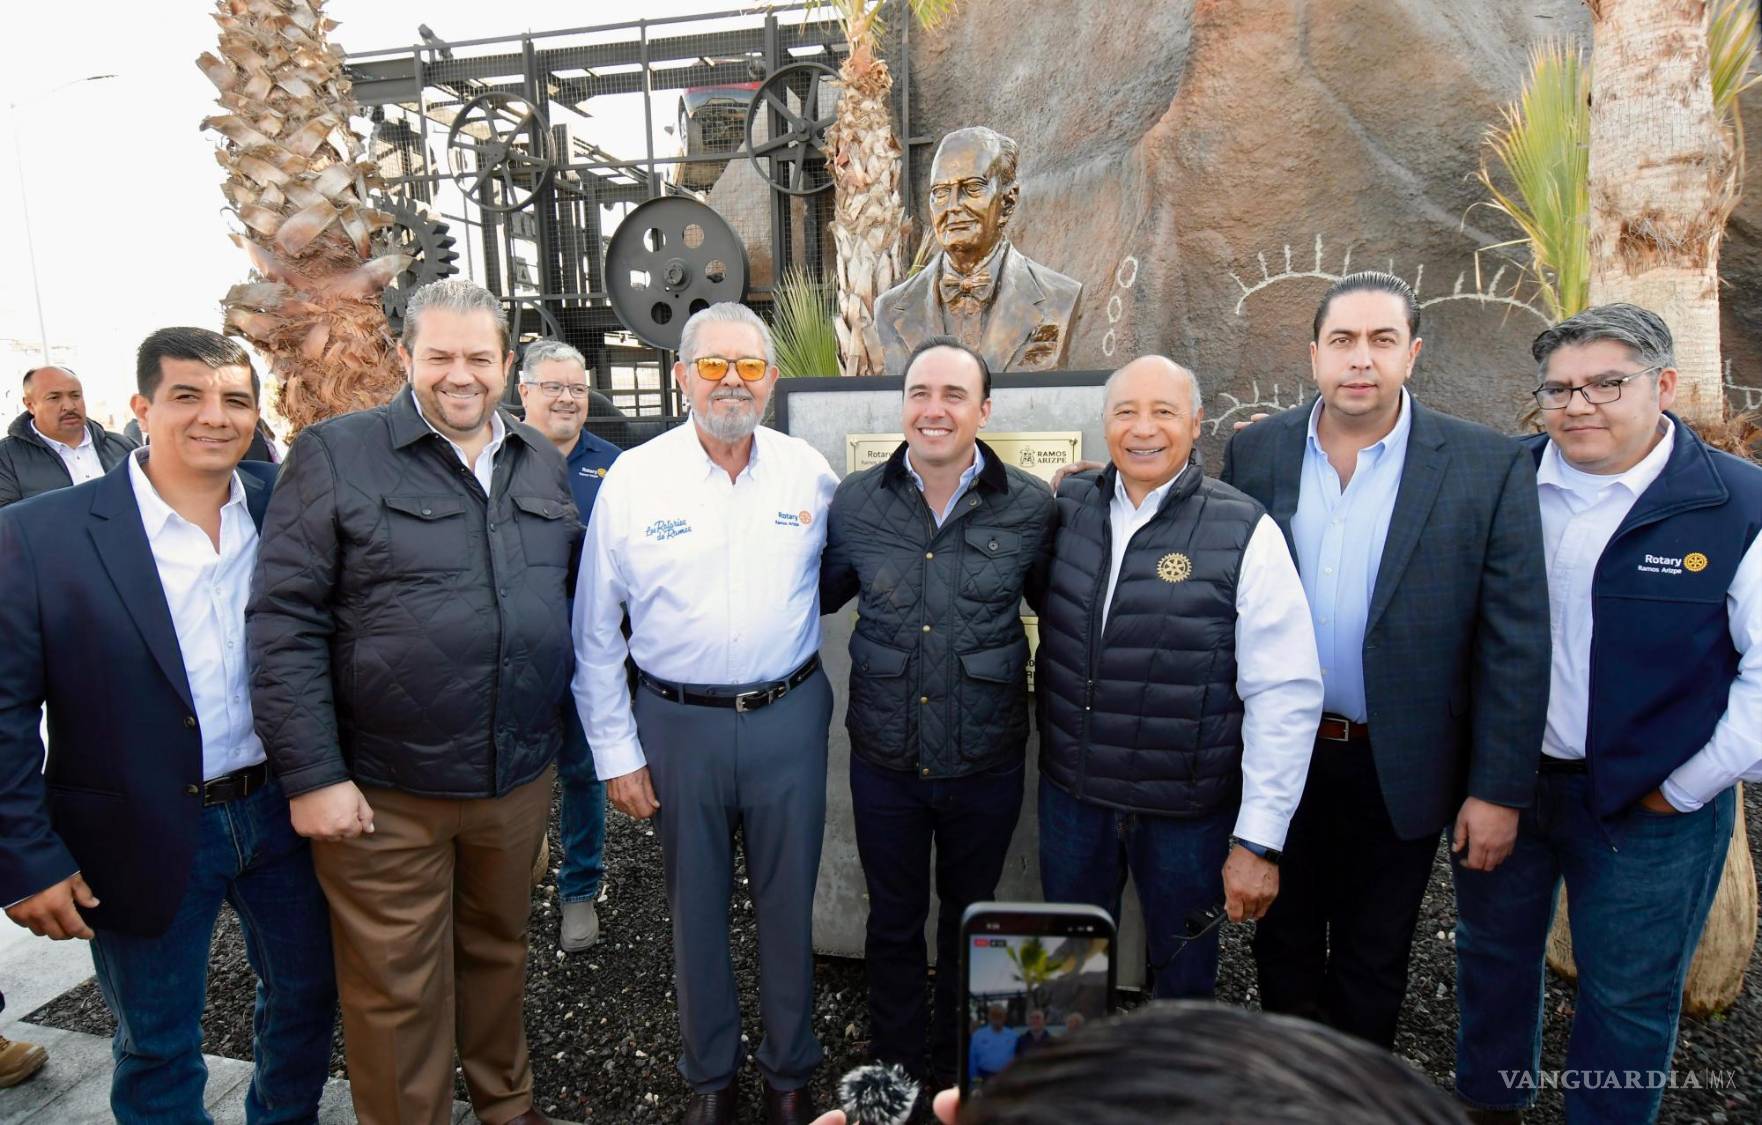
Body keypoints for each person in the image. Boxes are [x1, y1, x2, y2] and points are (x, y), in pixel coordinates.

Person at [248, 278, 579, 1125]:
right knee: (395, 987)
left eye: (478, 357)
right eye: (438, 356)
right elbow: (283, 623)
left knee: (498, 954)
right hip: (384, 789)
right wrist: (314, 774)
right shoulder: (334, 454)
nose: (458, 375)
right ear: (405, 357)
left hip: (512, 779)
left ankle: (508, 1105)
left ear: (508, 365)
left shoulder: (539, 459)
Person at [0, 327, 335, 1123]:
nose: (213, 416)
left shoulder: (285, 505)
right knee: (156, 1039)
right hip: (136, 824)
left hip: (281, 811)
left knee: (309, 994)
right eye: (188, 395)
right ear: (142, 407)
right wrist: (24, 857)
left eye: (235, 400)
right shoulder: (42, 535)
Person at [1219, 271, 1551, 1049]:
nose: (1360, 359)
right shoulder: (1257, 451)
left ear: (1413, 353)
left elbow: (1516, 638)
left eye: (1381, 340)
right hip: (1284, 754)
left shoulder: (1484, 466)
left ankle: (1359, 1095)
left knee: (1375, 955)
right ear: (1313, 355)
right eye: (1342, 340)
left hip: (1399, 761)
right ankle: (1297, 1093)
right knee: (1283, 943)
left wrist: (1499, 789)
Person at [1453, 304, 1762, 1125]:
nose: (1577, 405)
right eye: (1558, 389)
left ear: (1663, 385)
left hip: (1650, 806)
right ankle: (1487, 1106)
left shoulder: (1735, 505)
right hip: (1509, 786)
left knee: (1628, 997)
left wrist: (1685, 787)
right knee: (1491, 962)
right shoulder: (1501, 483)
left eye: (1605, 384)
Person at [573, 302, 838, 1125]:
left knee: (790, 904)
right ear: (682, 374)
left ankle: (790, 1073)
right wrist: (617, 752)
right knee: (694, 905)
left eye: (750, 366)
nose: (732, 381)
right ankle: (710, 1078)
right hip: (676, 724)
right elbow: (593, 632)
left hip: (787, 717)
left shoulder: (808, 473)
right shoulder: (634, 478)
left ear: (772, 378)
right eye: (713, 365)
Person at [1032, 356, 1323, 999]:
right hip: (1074, 801)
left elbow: (1284, 694)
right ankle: (1070, 1092)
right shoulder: (1070, 507)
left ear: (1196, 424)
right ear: (1104, 424)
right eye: (1126, 412)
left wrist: (1258, 840)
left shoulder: (1244, 530)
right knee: (1065, 977)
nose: (1144, 429)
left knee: (1183, 986)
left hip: (1186, 815)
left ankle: (1175, 1100)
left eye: (1164, 412)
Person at [820, 336, 1055, 1088]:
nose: (935, 409)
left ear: (984, 409)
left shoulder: (1030, 505)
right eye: (921, 392)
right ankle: (896, 1071)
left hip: (983, 762)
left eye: (955, 395)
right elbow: (812, 592)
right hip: (884, 759)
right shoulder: (856, 499)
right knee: (892, 922)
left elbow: (1064, 603)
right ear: (903, 405)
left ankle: (963, 1072)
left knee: (970, 917)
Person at [517, 339, 621, 954]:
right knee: (516, 778)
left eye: (577, 388)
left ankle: (579, 889)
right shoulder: (493, 457)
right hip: (514, 656)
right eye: (552, 386)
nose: (566, 398)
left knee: (583, 772)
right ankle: (511, 881)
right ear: (523, 390)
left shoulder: (613, 466)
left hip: (586, 653)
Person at [875, 127, 1082, 374]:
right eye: (940, 192)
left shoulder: (1059, 298)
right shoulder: (889, 308)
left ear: (1008, 201)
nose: (952, 206)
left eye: (972, 188)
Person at [0, 365, 136, 506]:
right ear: (30, 405)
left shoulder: (123, 446)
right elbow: (7, 522)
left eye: (75, 396)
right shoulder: (6, 459)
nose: (69, 406)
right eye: (54, 398)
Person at [966, 1006, 1019, 1082]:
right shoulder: (978, 1035)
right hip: (984, 1077)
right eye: (994, 1015)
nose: (997, 1018)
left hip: (1007, 1077)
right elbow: (972, 1060)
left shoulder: (1014, 1036)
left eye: (1000, 1015)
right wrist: (974, 1079)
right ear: (989, 1017)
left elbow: (1018, 1057)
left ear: (1004, 1017)